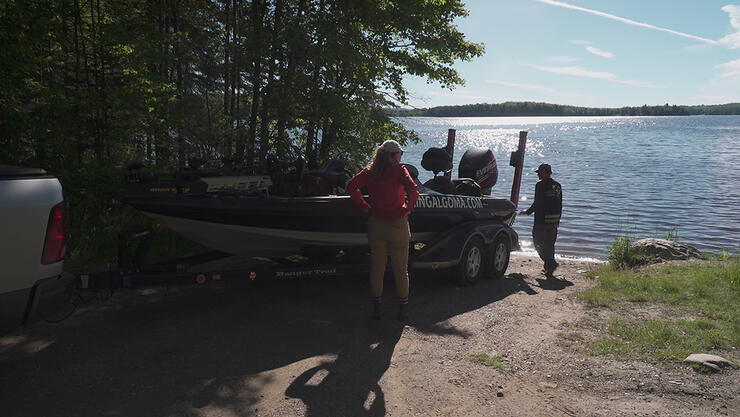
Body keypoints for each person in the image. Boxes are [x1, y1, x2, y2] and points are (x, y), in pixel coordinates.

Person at [347, 140, 419, 320]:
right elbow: (413, 190)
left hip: (376, 224)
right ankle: (402, 310)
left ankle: (377, 309)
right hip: (397, 224)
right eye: (400, 153)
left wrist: (364, 206)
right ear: (394, 155)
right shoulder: (400, 170)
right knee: (401, 270)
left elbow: (351, 186)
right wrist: (408, 208)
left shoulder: (370, 170)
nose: (401, 156)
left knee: (377, 268)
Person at [520, 163, 562, 276]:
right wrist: (558, 220)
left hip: (542, 220)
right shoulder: (557, 185)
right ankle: (549, 269)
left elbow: (538, 202)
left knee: (537, 243)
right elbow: (559, 203)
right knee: (550, 244)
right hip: (554, 220)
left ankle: (550, 263)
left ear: (544, 171)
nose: (538, 174)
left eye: (539, 172)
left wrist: (528, 212)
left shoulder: (540, 185)